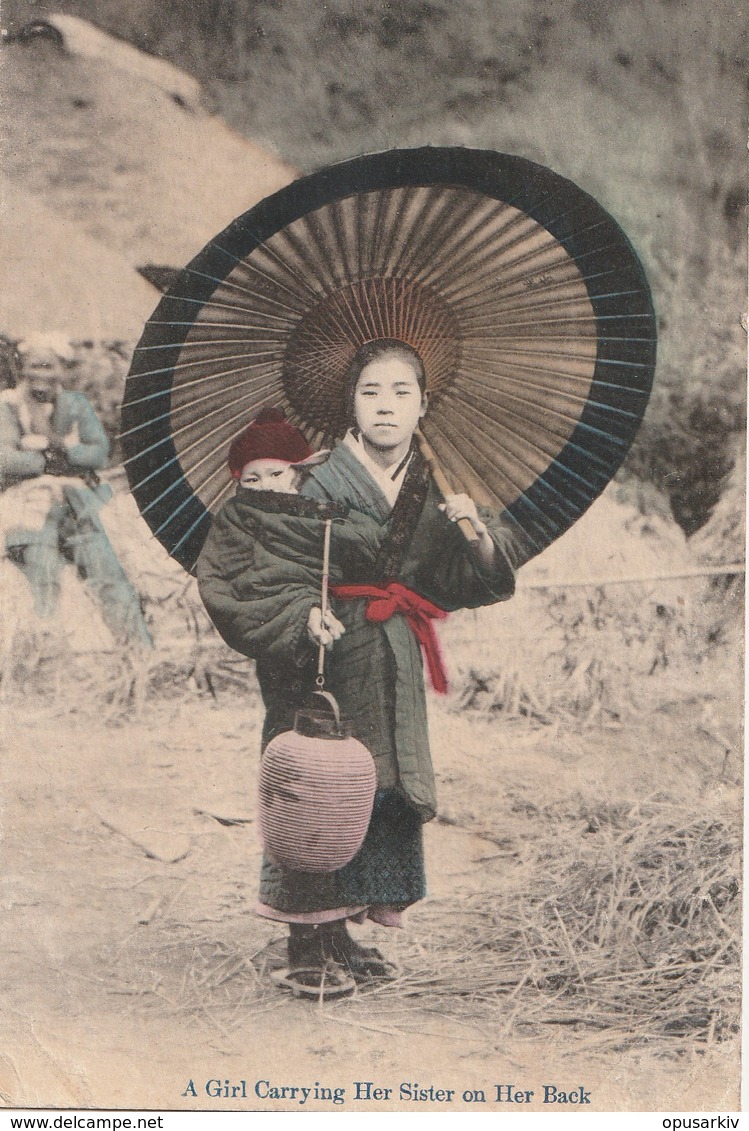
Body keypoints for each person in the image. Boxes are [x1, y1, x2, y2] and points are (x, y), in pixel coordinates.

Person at [197, 340, 526, 992]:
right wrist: (298, 612)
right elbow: (261, 565)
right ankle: (304, 939)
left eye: (401, 392)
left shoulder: (425, 482)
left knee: (375, 788)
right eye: (370, 391)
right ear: (349, 404)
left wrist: (475, 535)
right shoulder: (313, 478)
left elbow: (450, 579)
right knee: (315, 785)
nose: (385, 406)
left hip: (390, 649)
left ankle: (342, 928)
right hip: (318, 654)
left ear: (422, 404)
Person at [0, 334, 152, 647]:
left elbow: (98, 452)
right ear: (22, 369)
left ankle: (137, 649)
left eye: (48, 366)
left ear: (60, 369)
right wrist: (49, 459)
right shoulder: (9, 405)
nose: (41, 375)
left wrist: (56, 450)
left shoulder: (75, 404)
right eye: (33, 366)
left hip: (77, 501)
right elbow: (5, 458)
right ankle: (45, 656)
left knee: (105, 567)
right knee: (41, 571)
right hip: (30, 503)